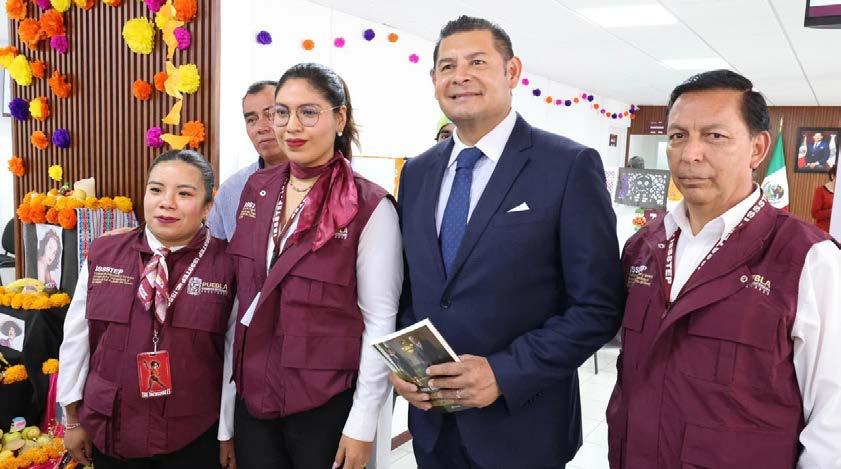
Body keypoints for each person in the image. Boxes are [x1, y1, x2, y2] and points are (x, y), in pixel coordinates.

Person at [391, 16, 624, 469]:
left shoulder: (567, 165)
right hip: (434, 426)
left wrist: (504, 372)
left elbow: (598, 307)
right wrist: (406, 364)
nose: (460, 76)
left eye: (477, 62)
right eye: (447, 66)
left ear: (511, 71)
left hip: (523, 427)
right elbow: (413, 288)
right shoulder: (417, 172)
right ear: (434, 80)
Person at [607, 70, 841, 469]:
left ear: (757, 149)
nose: (690, 154)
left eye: (714, 136)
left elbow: (833, 420)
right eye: (678, 136)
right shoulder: (642, 247)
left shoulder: (809, 259)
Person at [226, 63, 402, 469]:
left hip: (325, 404)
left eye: (308, 112)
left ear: (339, 118)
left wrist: (363, 424)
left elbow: (380, 321)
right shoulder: (257, 189)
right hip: (254, 399)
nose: (291, 126)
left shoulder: (368, 206)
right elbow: (240, 297)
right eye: (282, 112)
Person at [58, 150, 239, 469]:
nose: (166, 202)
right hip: (110, 429)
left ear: (208, 206)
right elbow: (76, 340)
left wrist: (227, 432)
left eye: (184, 194)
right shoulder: (104, 252)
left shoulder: (228, 265)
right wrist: (71, 419)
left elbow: (233, 355)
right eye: (156, 190)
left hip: (192, 434)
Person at [206, 80, 288, 241]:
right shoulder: (232, 189)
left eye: (271, 115)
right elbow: (212, 251)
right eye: (251, 120)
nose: (261, 128)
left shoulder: (324, 180)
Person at [811, 163, 836, 232]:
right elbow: (815, 214)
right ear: (832, 176)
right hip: (823, 232)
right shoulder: (820, 191)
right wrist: (833, 211)